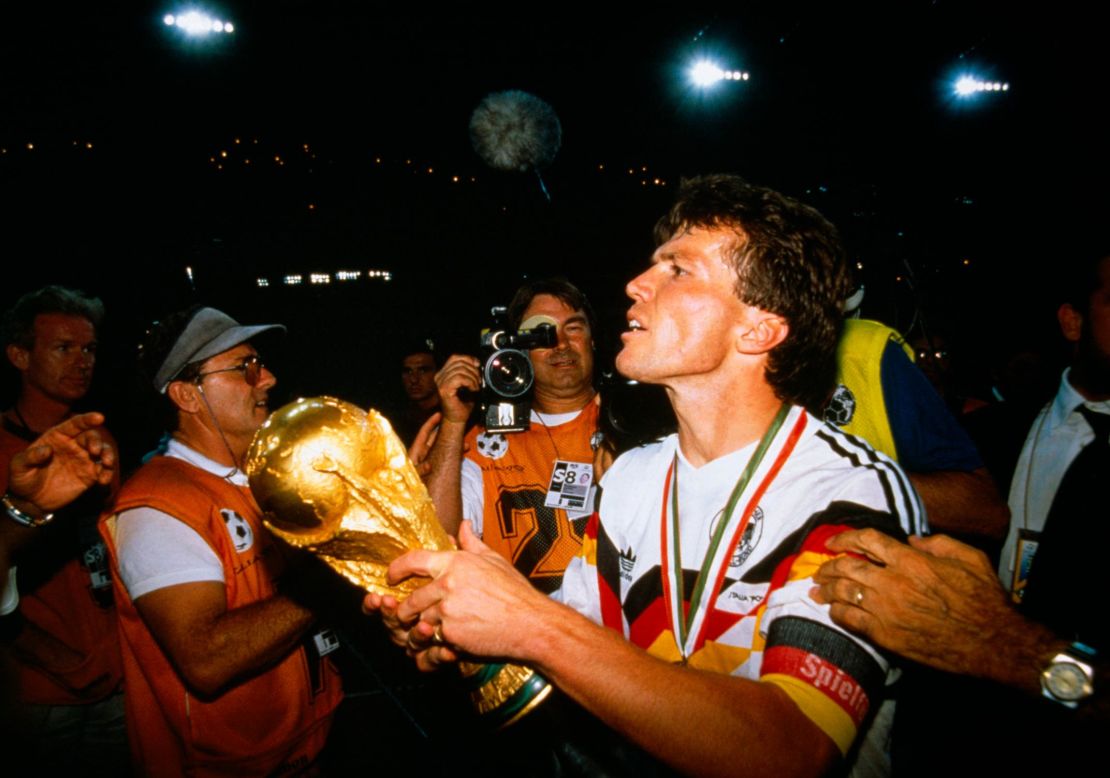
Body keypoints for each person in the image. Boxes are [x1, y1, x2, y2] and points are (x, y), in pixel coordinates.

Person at [370, 175, 924, 776]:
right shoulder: (632, 477)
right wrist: (467, 623)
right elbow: (584, 648)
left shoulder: (847, 491)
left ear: (759, 328)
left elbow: (790, 749)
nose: (636, 284)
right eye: (650, 267)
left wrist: (529, 625)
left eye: (678, 270)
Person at [98, 306, 342, 776]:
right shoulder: (157, 506)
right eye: (245, 368)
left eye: (262, 363)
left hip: (306, 743)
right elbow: (206, 659)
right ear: (188, 395)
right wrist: (331, 576)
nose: (267, 378)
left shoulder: (263, 478)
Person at [0, 286, 126, 771]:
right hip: (39, 696)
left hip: (114, 681)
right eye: (63, 348)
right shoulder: (2, 449)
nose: (82, 362)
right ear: (19, 355)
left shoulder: (100, 439)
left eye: (89, 349)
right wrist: (54, 660)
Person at [425, 278, 602, 593]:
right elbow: (436, 541)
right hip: (520, 632)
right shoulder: (485, 442)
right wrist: (452, 423)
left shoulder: (631, 425)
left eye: (574, 328)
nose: (560, 344)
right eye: (541, 333)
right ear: (515, 348)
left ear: (592, 340)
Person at [389, 340, 441, 447]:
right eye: (408, 371)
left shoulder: (452, 414)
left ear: (439, 372)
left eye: (423, 370)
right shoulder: (397, 420)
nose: (413, 379)